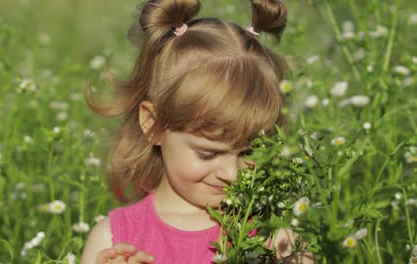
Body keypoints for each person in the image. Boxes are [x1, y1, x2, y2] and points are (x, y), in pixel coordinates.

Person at [82, 0, 315, 263]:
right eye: (207, 154)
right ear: (152, 124)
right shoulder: (116, 240)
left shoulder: (274, 237)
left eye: (250, 151)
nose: (232, 174)